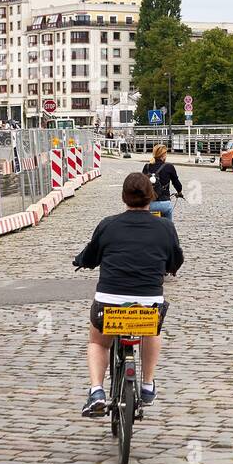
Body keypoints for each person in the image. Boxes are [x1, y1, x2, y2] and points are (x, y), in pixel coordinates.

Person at [73, 172, 184, 417]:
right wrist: (170, 268)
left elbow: (91, 255)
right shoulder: (165, 226)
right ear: (151, 196)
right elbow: (175, 258)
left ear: (124, 197)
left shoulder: (108, 224)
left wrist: (80, 261)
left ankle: (96, 391)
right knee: (151, 331)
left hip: (109, 303)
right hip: (148, 303)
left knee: (98, 342)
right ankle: (147, 385)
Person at [142, 144, 184, 220]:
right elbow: (176, 183)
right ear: (163, 155)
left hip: (148, 205)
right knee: (168, 223)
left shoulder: (147, 167)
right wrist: (179, 192)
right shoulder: (169, 167)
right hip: (163, 204)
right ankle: (168, 230)